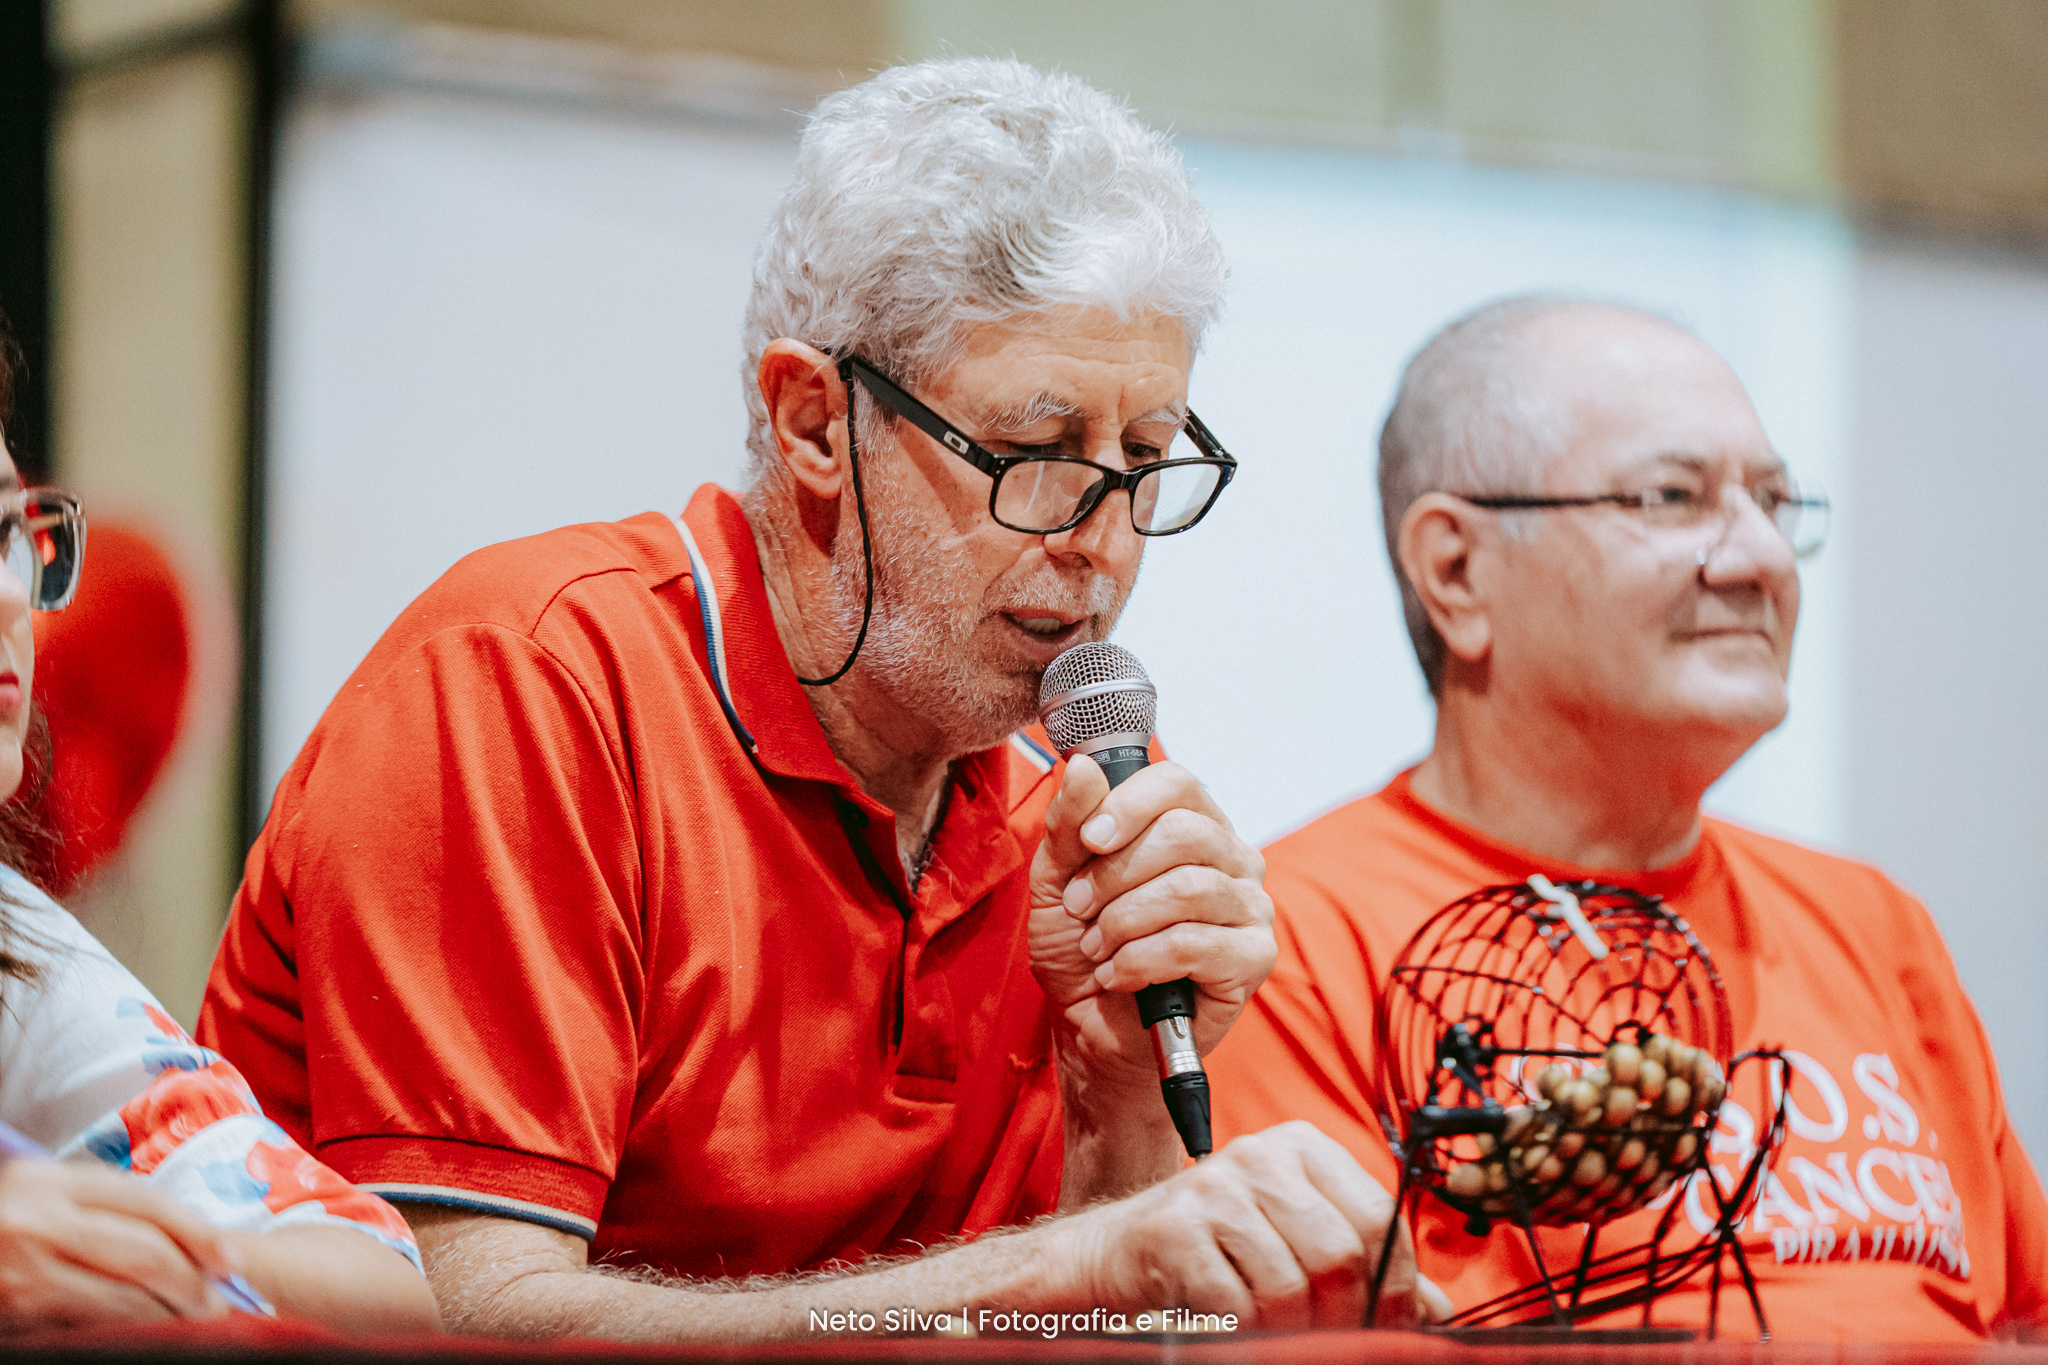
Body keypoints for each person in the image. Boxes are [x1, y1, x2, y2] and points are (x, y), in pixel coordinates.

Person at [199, 59, 1447, 1341]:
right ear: (811, 423)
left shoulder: (1068, 774)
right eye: (1035, 452)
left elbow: (1080, 1329)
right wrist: (1068, 1271)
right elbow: (468, 1324)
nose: (1103, 541)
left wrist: (1118, 1097)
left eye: (1140, 458)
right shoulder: (530, 688)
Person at [1205, 296, 2048, 1339]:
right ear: (1456, 571)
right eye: (1671, 498)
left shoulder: (1875, 926)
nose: (1760, 559)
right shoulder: (1281, 945)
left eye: (1773, 501)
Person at [0, 345, 438, 1335]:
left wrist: (129, 1249)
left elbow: (384, 1291)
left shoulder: (18, 949)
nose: (14, 597)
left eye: (7, 534)